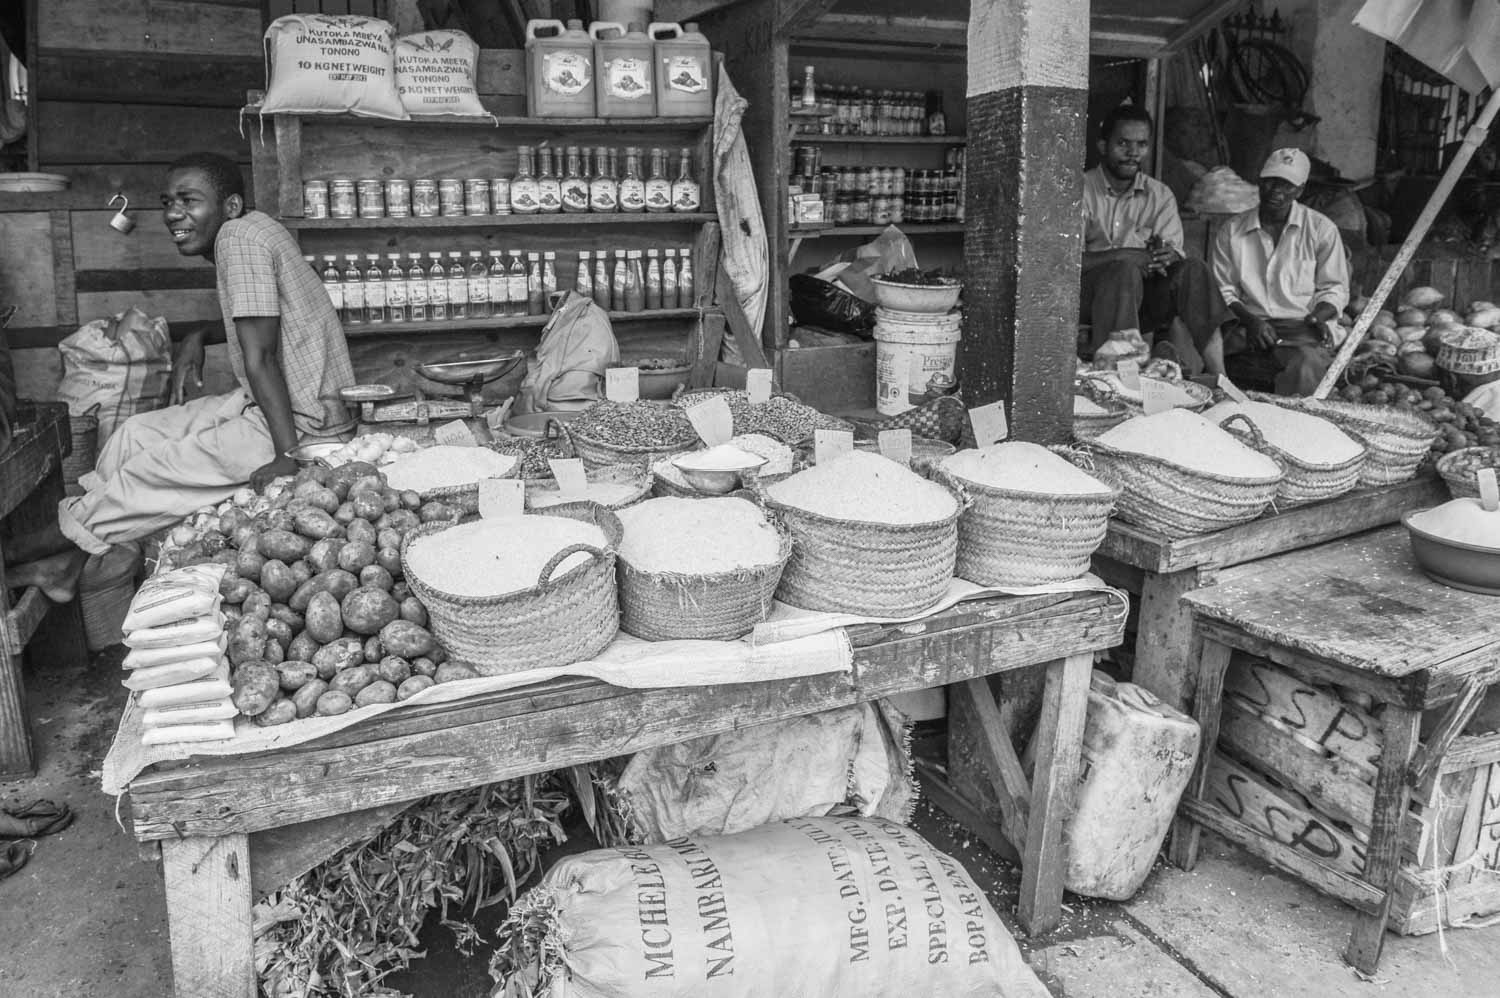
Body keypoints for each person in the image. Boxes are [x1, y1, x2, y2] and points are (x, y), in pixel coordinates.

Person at [9, 152, 355, 601]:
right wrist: (198, 333)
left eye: (189, 200)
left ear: (229, 205)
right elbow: (265, 319)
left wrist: (289, 454)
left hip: (303, 422)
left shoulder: (238, 241)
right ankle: (72, 560)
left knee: (150, 472)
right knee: (133, 435)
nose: (173, 213)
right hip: (271, 401)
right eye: (168, 201)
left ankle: (27, 547)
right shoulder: (250, 229)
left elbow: (263, 355)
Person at [1080, 105, 1230, 373]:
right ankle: (1120, 376)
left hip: (1141, 297)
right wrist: (1122, 255)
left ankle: (1221, 376)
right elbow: (1063, 263)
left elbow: (1172, 251)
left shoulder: (1159, 195)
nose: (1132, 152)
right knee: (1123, 270)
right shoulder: (1080, 189)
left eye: (1141, 144)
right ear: (1103, 145)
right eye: (1123, 143)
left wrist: (1169, 256)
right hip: (1086, 299)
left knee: (1193, 269)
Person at [1208, 147, 1351, 396]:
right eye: (1271, 182)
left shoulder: (1321, 229)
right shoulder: (1232, 231)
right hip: (1247, 323)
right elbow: (1224, 289)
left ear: (1300, 190)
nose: (1276, 192)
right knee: (1211, 361)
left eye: (1287, 186)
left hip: (1300, 326)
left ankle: (1295, 425)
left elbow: (1334, 288)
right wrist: (1252, 321)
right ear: (1260, 181)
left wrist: (1317, 317)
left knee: (1308, 366)